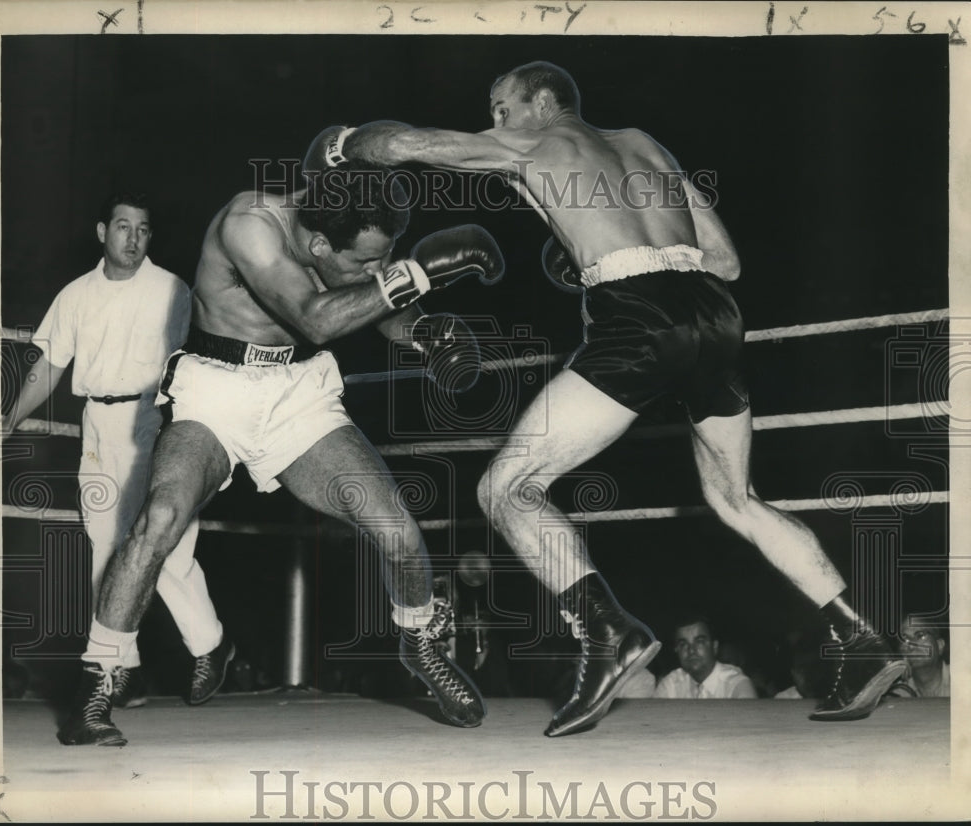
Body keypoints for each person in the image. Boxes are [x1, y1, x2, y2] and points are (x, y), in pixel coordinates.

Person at [307, 60, 906, 736]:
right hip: (713, 316)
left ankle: (607, 632)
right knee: (738, 498)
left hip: (638, 316)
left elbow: (402, 146)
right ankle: (860, 640)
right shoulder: (646, 144)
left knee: (507, 488)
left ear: (540, 101)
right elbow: (728, 262)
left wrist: (340, 144)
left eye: (500, 106)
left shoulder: (536, 143)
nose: (495, 119)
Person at [56, 168, 504, 745]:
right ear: (318, 246)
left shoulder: (334, 229)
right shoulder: (250, 224)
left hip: (298, 394)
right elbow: (317, 316)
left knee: (395, 526)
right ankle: (100, 682)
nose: (376, 270)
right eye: (367, 261)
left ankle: (419, 643)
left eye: (384, 260)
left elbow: (370, 300)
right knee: (160, 518)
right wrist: (416, 272)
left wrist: (426, 332)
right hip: (215, 391)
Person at [4, 192, 228, 710]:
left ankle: (211, 646)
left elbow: (196, 361)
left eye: (143, 229)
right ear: (102, 232)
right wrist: (11, 416)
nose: (133, 238)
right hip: (98, 426)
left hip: (155, 418)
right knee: (104, 549)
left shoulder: (172, 290)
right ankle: (120, 670)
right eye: (123, 227)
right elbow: (51, 363)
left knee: (165, 548)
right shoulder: (76, 295)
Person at [653, 618, 756, 699]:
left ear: (714, 647)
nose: (691, 650)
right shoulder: (671, 684)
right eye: (683, 644)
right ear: (676, 650)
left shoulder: (736, 685)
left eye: (699, 641)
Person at [889, 613, 950, 698]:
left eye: (920, 635)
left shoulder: (964, 681)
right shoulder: (897, 695)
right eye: (904, 639)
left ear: (939, 645)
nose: (911, 645)